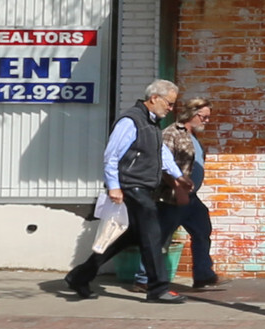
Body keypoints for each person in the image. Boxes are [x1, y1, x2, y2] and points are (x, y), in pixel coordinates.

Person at [64, 79, 186, 302]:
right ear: (154, 98)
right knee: (152, 233)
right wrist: (114, 187)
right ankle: (158, 288)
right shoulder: (131, 121)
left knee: (127, 236)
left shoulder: (151, 124)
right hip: (131, 186)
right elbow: (111, 155)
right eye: (168, 103)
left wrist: (179, 176)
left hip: (142, 187)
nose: (170, 108)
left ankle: (80, 275)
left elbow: (162, 154)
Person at [153, 97, 220, 290]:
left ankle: (204, 275)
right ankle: (143, 279)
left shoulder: (193, 136)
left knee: (202, 231)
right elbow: (163, 165)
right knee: (160, 238)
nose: (206, 121)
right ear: (192, 114)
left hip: (191, 197)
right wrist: (177, 188)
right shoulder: (171, 134)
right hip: (172, 197)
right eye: (204, 117)